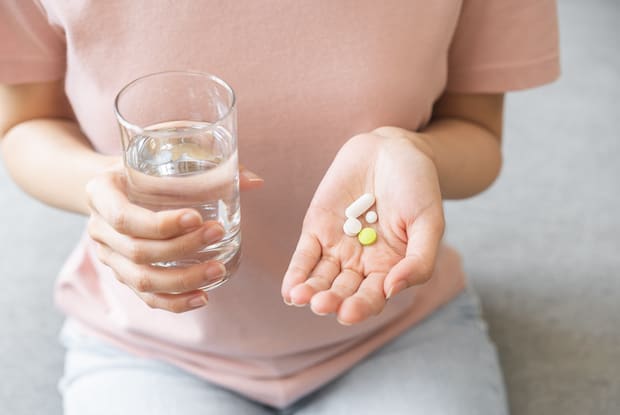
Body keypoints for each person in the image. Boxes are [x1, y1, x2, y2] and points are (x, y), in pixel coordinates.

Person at [0, 1, 559, 414]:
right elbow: (24, 126)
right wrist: (102, 185)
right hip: (145, 341)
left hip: (393, 324)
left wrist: (413, 150)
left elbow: (479, 137)